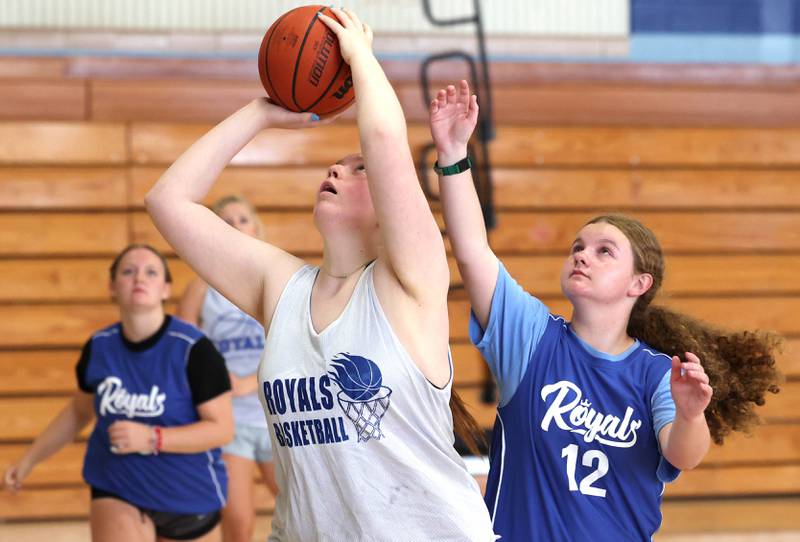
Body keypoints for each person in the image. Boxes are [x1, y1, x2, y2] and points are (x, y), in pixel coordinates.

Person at [145, 8, 495, 542]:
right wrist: (260, 113)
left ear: (388, 206)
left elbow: (383, 137)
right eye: (336, 164)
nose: (335, 169)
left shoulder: (409, 280)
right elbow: (167, 200)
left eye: (358, 169)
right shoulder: (280, 287)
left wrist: (358, 54)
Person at [429, 80, 782, 541]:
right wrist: (453, 153)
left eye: (603, 251)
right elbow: (473, 250)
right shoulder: (531, 340)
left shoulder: (655, 374)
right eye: (578, 246)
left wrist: (692, 414)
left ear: (639, 284)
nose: (582, 255)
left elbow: (682, 455)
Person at [3, 244, 234, 542]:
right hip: (118, 484)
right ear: (112, 287)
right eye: (128, 271)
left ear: (165, 289)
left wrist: (152, 438)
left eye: (151, 272)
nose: (139, 278)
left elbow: (221, 429)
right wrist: (29, 460)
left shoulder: (195, 349)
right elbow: (78, 412)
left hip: (187, 491)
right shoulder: (99, 346)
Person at [178, 194, 278, 542]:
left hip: (276, 416)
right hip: (229, 421)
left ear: (256, 228)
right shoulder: (200, 288)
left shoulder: (278, 281)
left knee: (305, 510)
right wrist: (216, 383)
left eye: (242, 219)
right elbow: (182, 353)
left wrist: (253, 381)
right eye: (225, 221)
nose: (235, 226)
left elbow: (302, 348)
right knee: (238, 522)